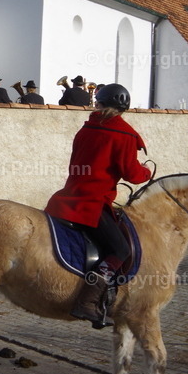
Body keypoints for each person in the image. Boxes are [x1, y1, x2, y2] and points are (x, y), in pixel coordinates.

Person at [45, 83, 151, 329]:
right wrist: (146, 171)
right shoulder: (123, 134)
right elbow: (132, 174)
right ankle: (88, 300)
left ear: (99, 103)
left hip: (66, 199)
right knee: (121, 249)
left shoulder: (86, 129)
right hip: (91, 204)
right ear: (123, 109)